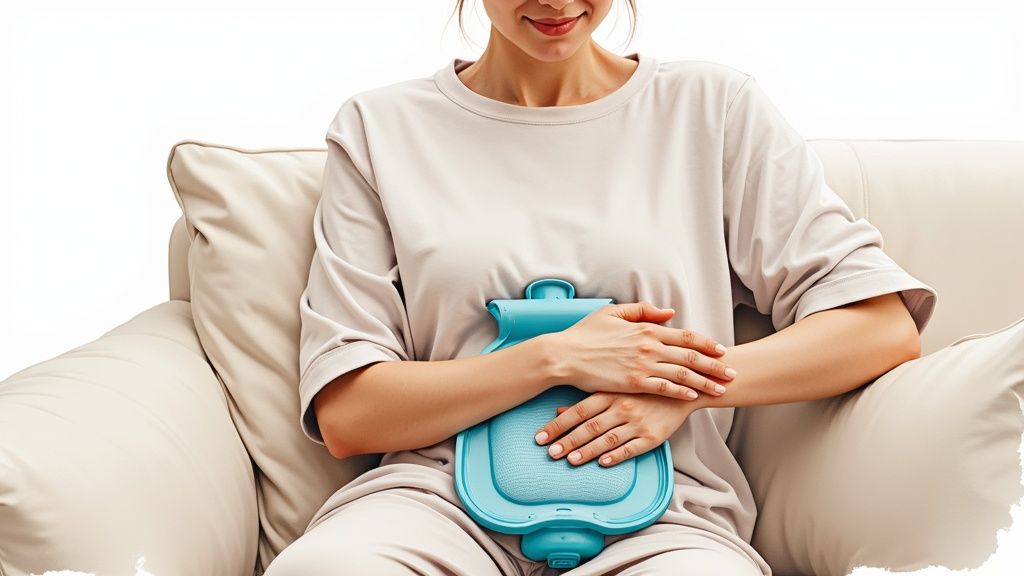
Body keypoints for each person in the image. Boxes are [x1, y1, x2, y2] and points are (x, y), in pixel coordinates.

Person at [265, 1, 938, 574]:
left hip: (667, 514)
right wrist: (551, 358)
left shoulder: (711, 110)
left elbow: (878, 326)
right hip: (435, 504)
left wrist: (679, 388)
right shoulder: (381, 128)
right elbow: (349, 414)